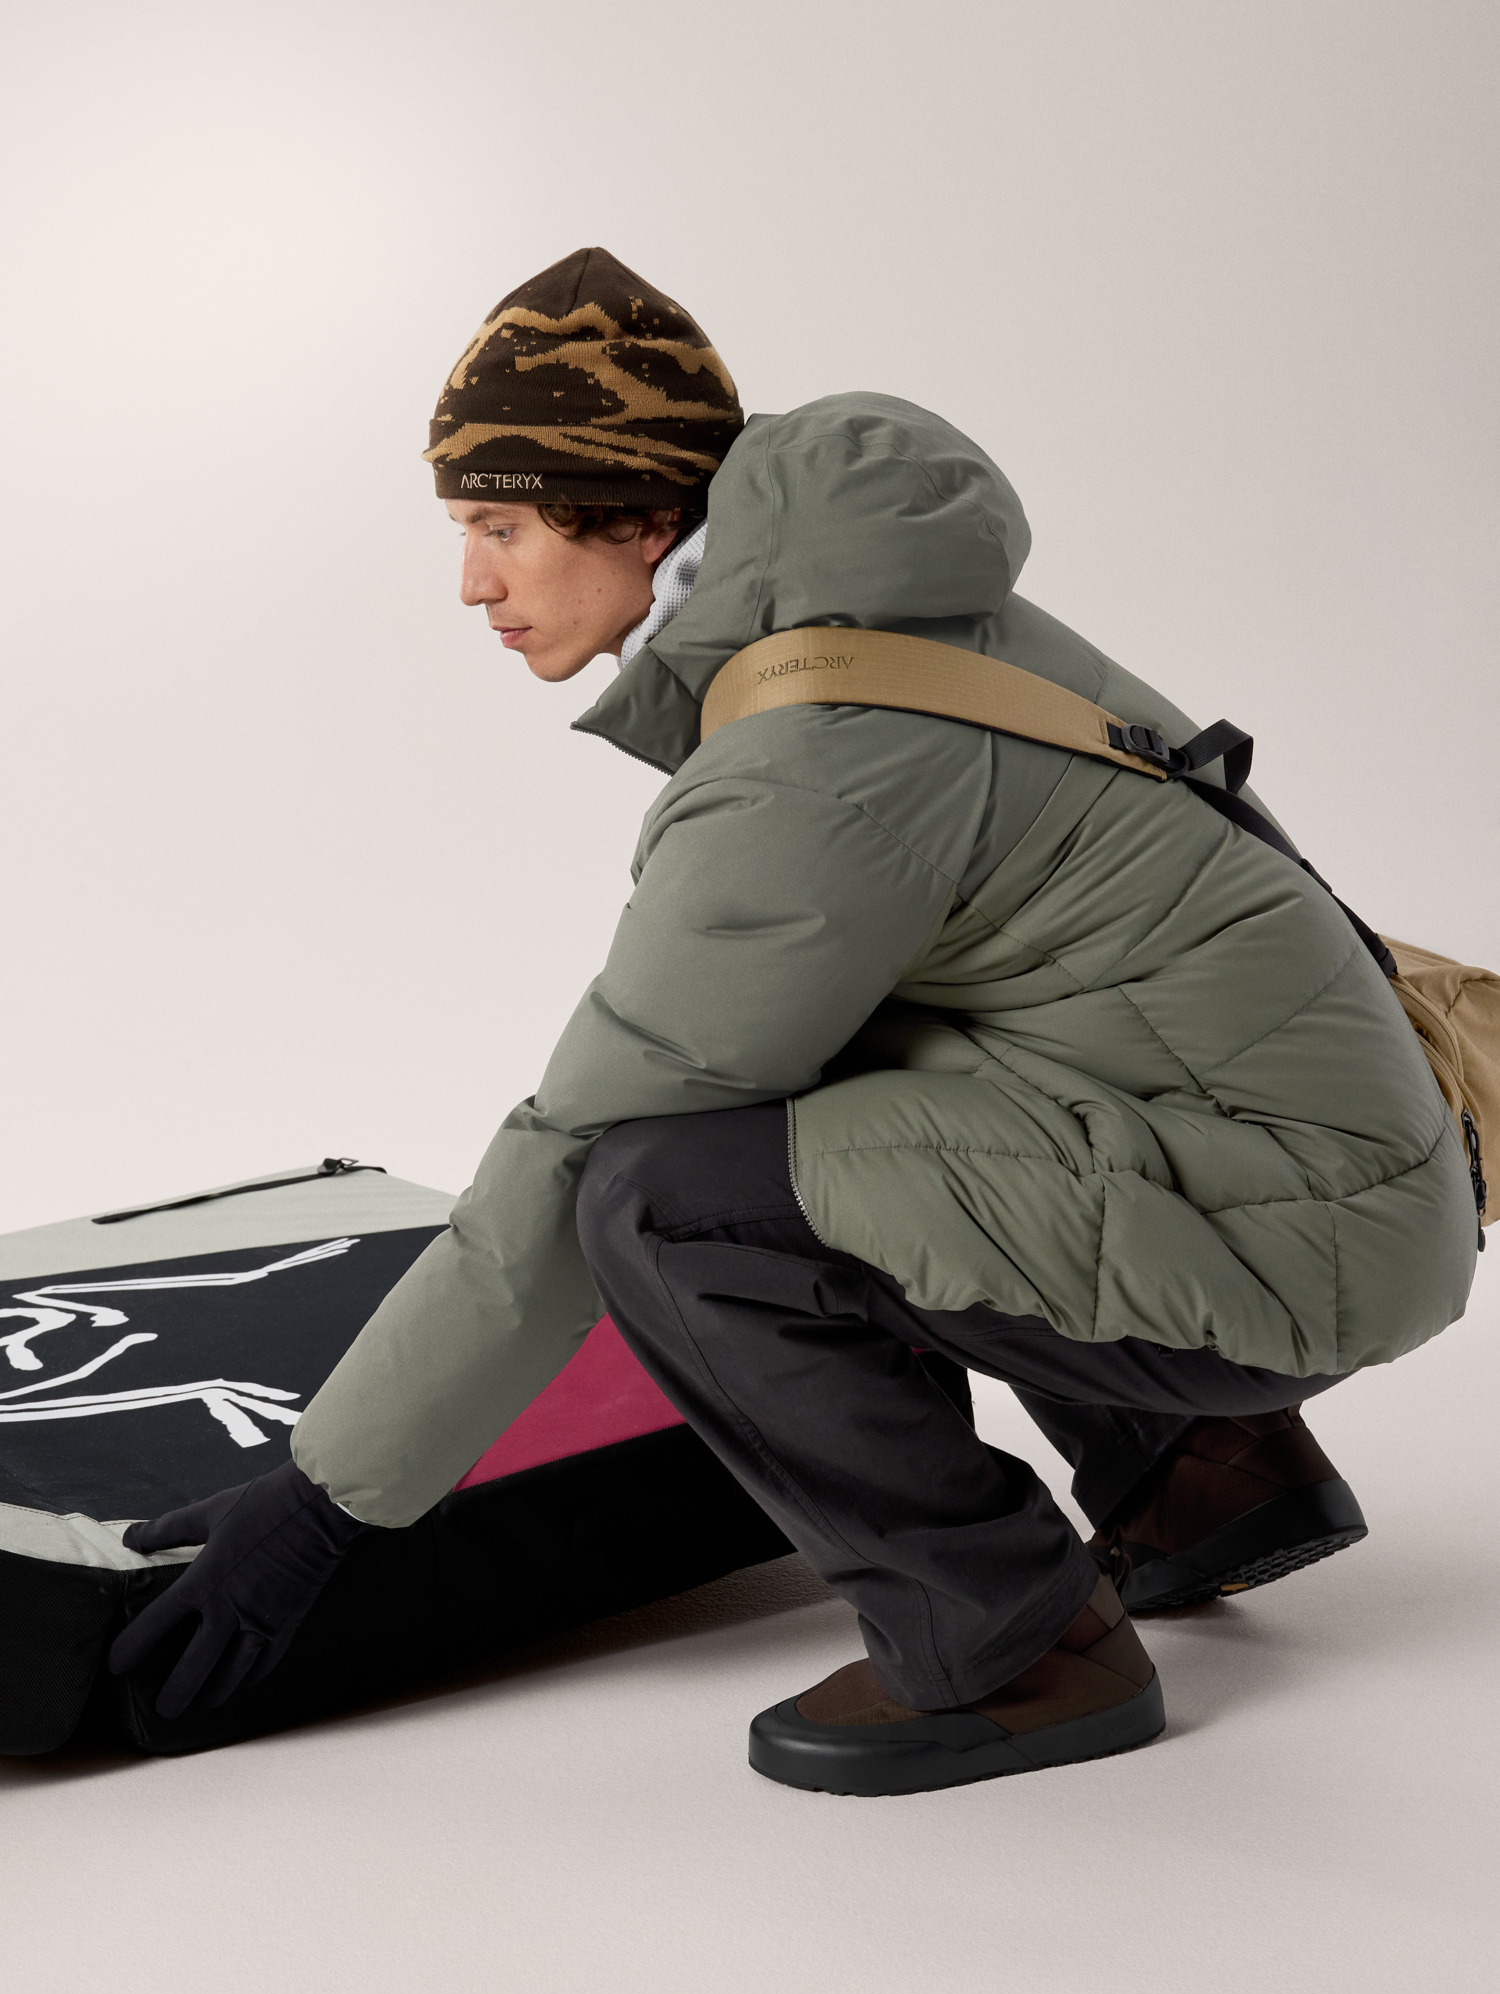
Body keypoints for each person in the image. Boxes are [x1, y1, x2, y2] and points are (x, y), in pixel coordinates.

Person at [110, 247, 1478, 1795]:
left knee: (664, 1199)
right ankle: (1202, 1473)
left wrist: (327, 1504)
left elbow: (579, 1148)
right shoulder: (890, 606)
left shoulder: (816, 755)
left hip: (1301, 1236)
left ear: (641, 518)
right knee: (838, 1064)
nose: (474, 585)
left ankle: (1009, 1641)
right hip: (1313, 1165)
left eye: (501, 528)